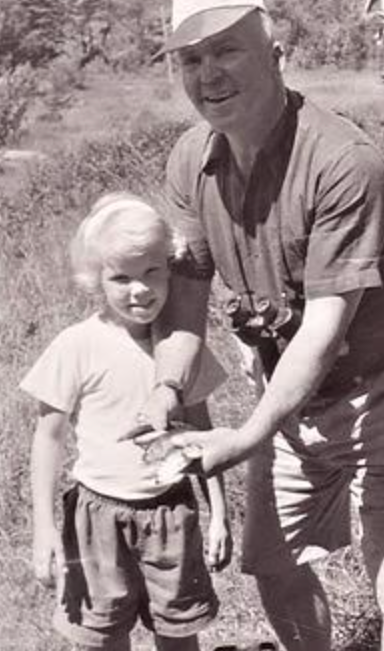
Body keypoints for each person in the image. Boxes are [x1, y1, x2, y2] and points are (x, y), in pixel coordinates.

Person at [140, 0, 384, 651]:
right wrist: (167, 385)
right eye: (190, 59)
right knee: (275, 564)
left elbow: (323, 328)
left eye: (228, 50)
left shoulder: (344, 160)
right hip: (288, 392)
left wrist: (245, 436)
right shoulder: (190, 161)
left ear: (276, 57)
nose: (209, 75)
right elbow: (186, 312)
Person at [21, 192, 232, 651]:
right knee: (102, 637)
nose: (140, 290)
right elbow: (48, 437)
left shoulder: (183, 347)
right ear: (96, 280)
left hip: (170, 511)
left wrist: (219, 512)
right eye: (121, 278)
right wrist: (44, 528)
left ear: (170, 267)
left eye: (152, 272)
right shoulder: (77, 345)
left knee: (178, 633)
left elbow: (202, 433)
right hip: (98, 513)